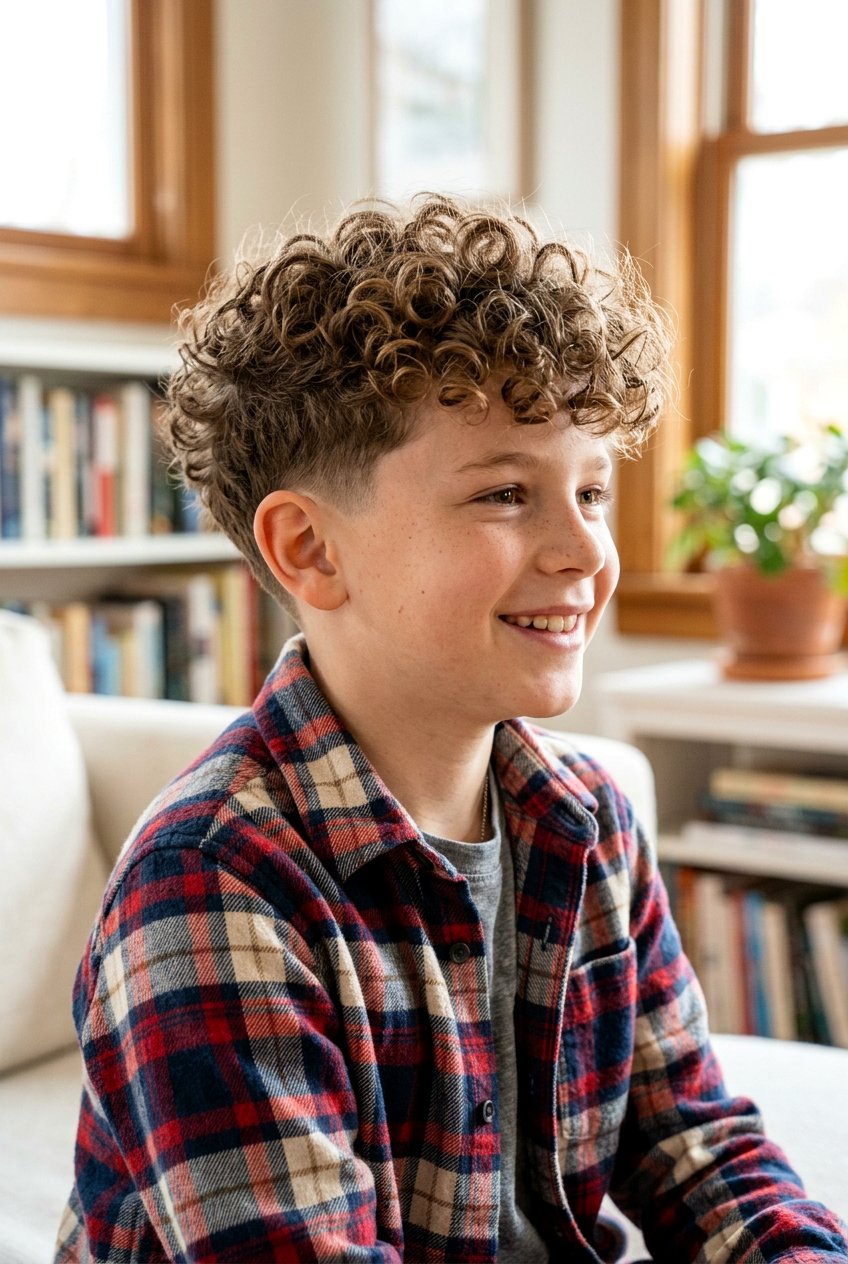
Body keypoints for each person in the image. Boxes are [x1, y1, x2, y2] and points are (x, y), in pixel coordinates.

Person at [55, 195, 848, 1263]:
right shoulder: (207, 886)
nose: (584, 551)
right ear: (310, 550)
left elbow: (697, 1149)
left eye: (592, 492)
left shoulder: (589, 820)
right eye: (505, 494)